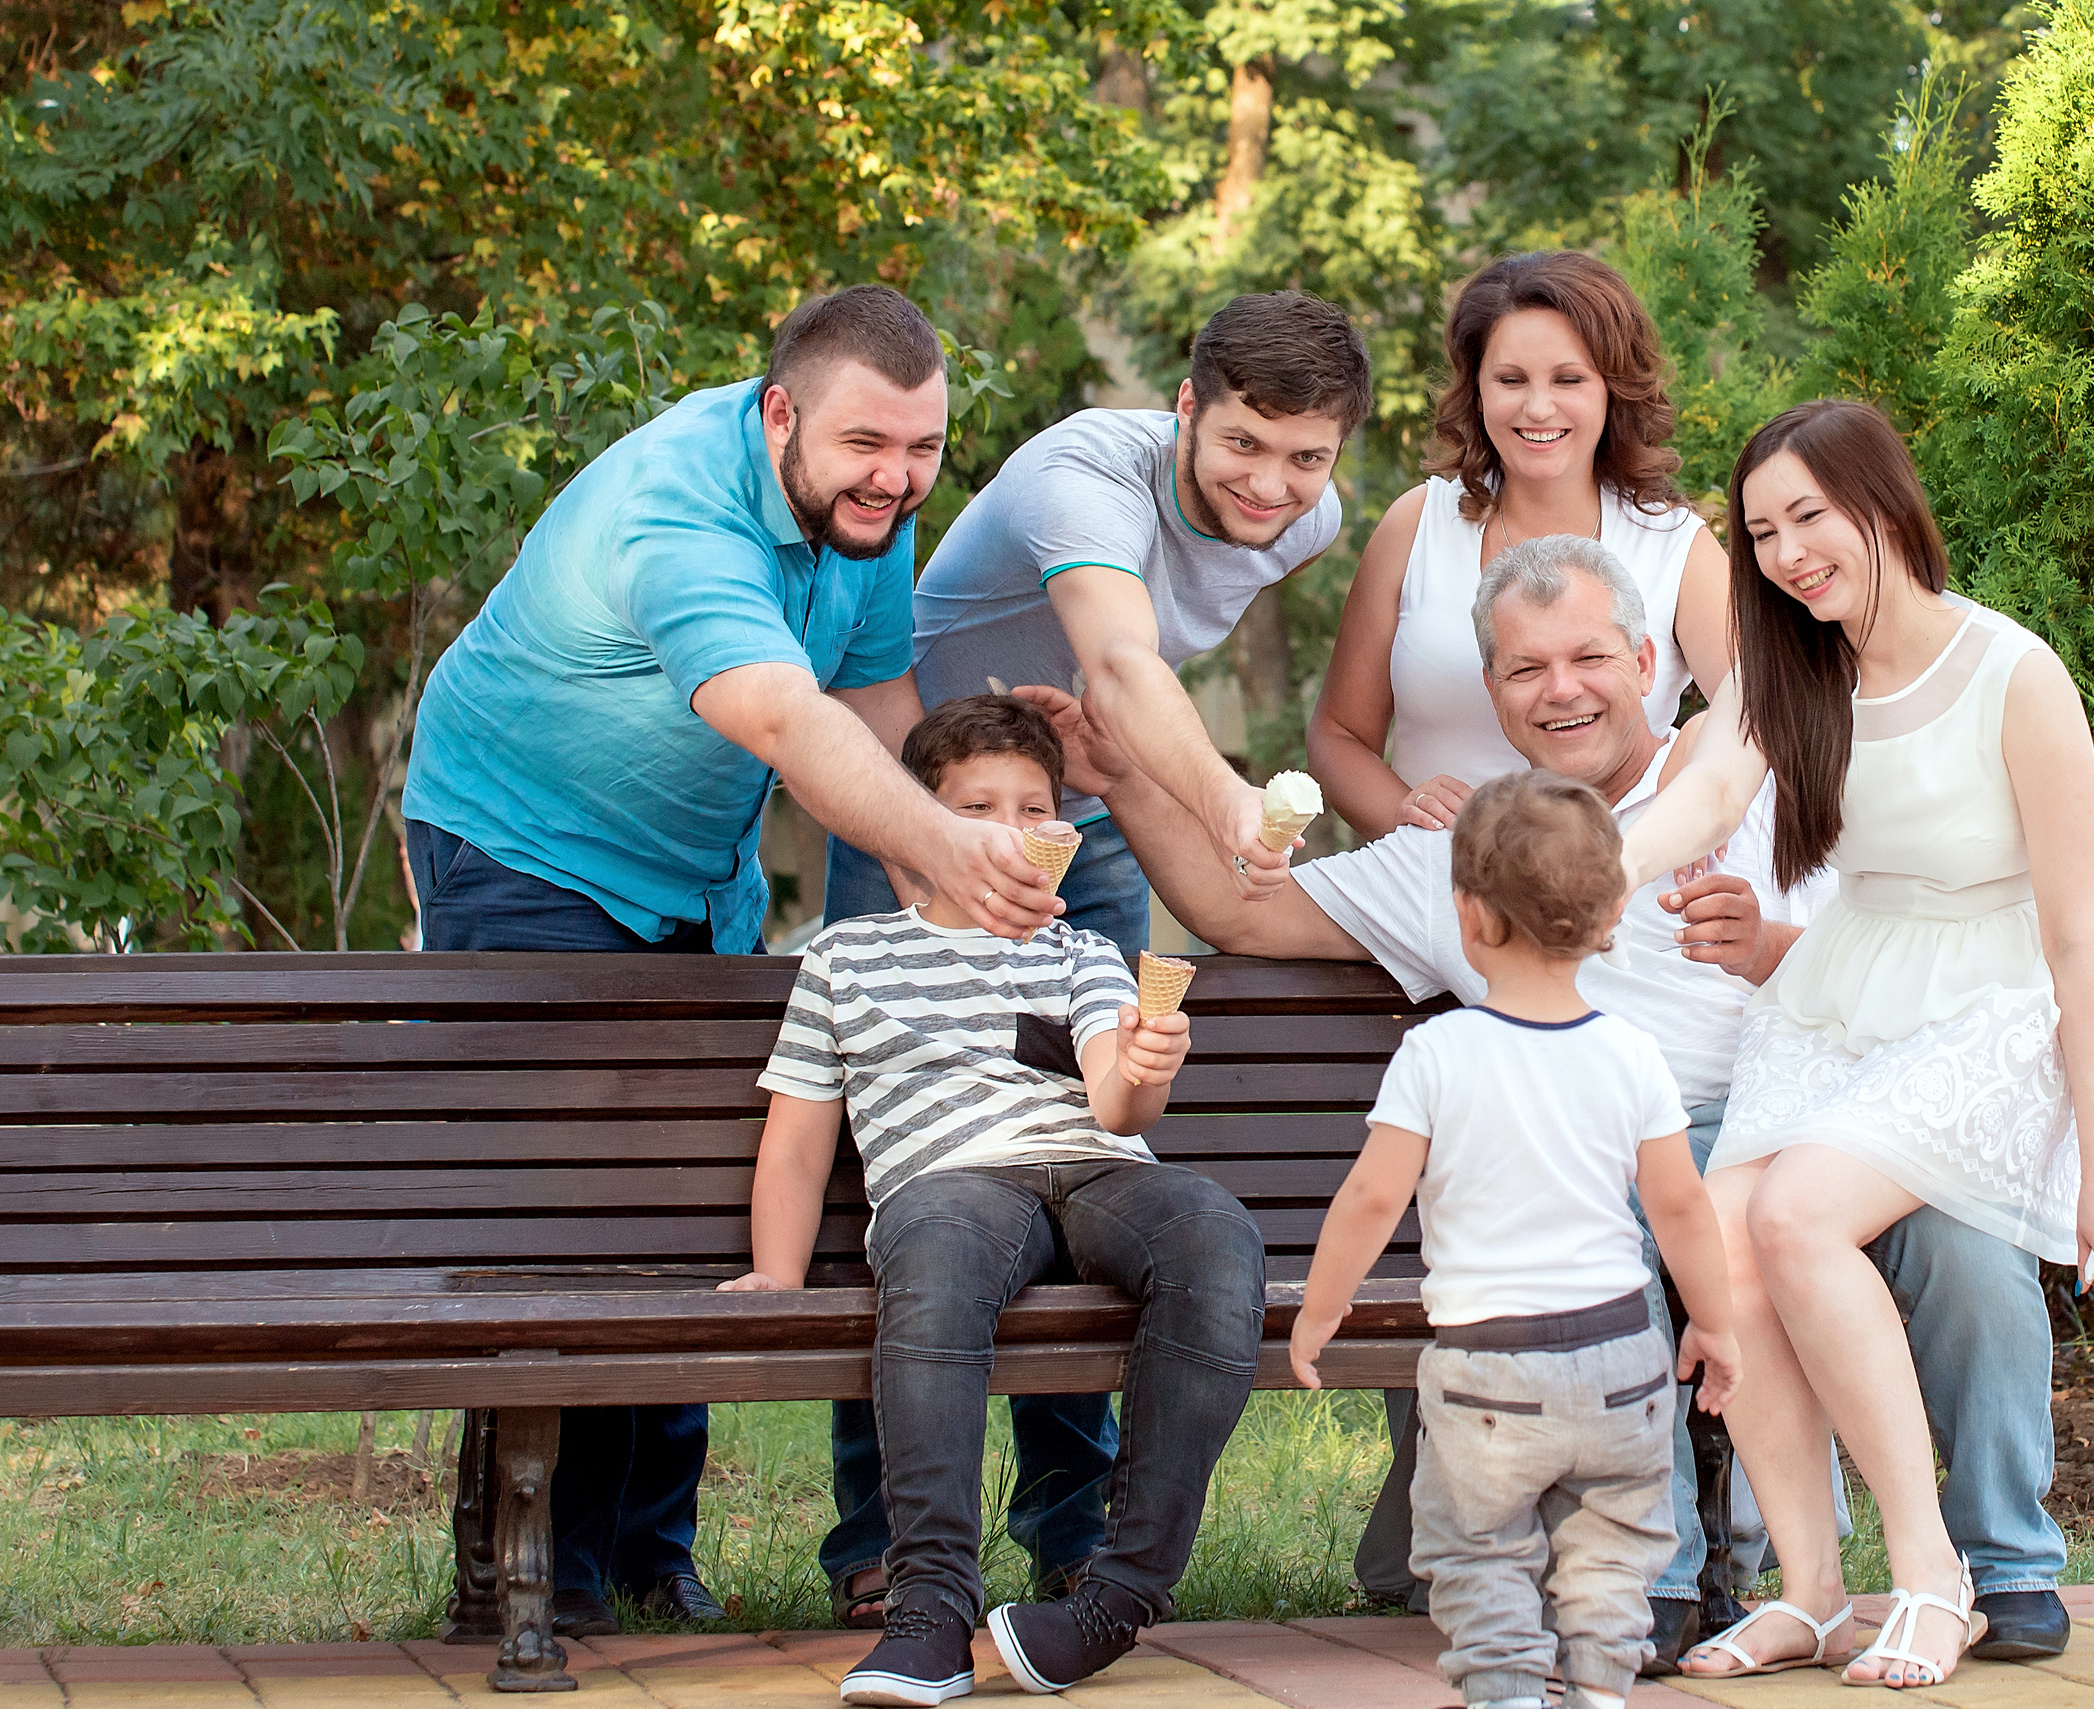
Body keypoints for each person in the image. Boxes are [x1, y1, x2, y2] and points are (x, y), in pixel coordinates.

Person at [1029, 530, 2083, 1667]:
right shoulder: (1475, 848)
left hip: (1831, 1113)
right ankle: (1651, 1579)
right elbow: (1238, 910)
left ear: (1646, 661)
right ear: (1492, 691)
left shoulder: (1755, 771)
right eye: (1526, 668)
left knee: (1967, 1241)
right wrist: (1124, 778)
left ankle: (2005, 1563)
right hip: (1638, 1148)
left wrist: (1770, 950)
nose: (1561, 689)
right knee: (1598, 1210)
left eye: (1587, 657)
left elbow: (1894, 943)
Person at [402, 285, 1061, 1637]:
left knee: (697, 1187)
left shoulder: (865, 506)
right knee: (569, 1211)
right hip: (524, 849)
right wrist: (952, 852)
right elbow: (781, 718)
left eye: (924, 449)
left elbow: (874, 708)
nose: (897, 477)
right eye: (867, 445)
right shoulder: (676, 510)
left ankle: (653, 1550)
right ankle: (533, 1570)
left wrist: (958, 874)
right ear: (778, 415)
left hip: (698, 874)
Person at [811, 289, 1371, 1627]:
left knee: (1081, 1149)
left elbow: (1130, 690)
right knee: (906, 1164)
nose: (1273, 484)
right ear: (1184, 409)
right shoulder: (1083, 474)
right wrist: (1225, 801)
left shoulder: (1311, 522)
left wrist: (1125, 788)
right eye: (1243, 444)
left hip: (1083, 822)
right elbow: (1119, 659)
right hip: (925, 806)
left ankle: (1069, 1529)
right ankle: (880, 1540)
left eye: (1307, 457)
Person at [1617, 399, 2094, 1689]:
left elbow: (2078, 937)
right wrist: (1591, 873)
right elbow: (1705, 790)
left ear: (1881, 502)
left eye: (1808, 516)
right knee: (1719, 1228)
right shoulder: (1792, 670)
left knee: (1795, 1213)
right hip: (1843, 994)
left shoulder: (2013, 672)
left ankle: (1933, 1576)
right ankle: (1811, 1590)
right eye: (1761, 533)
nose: (1787, 553)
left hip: (1987, 1007)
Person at [719, 695, 1265, 1704]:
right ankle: (930, 1609)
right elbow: (797, 1138)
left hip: (1099, 1168)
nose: (1012, 830)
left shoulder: (1079, 952)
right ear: (917, 824)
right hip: (952, 1182)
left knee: (1216, 1235)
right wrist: (777, 1274)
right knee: (932, 1255)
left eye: (1034, 807)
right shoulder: (848, 957)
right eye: (978, 808)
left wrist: (1149, 1062)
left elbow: (1116, 1100)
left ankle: (1116, 1599)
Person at [1291, 771, 1743, 1709]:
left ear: (1469, 915)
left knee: (1479, 1549)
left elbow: (1373, 1195)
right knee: (1610, 1552)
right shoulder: (1632, 1054)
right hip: (1621, 1356)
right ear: (1611, 917)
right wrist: (1714, 1322)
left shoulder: (1438, 1053)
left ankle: (1504, 1689)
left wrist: (1322, 1307)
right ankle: (1601, 1686)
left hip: (1488, 1367)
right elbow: (1681, 1207)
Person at [1307, 250, 1729, 839]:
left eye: (1568, 379)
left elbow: (1758, 724)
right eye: (1511, 380)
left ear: (1613, 390)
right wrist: (1408, 818)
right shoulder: (1417, 525)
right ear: (1478, 392)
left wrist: (1692, 768)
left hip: (1617, 881)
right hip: (1435, 873)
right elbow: (1338, 735)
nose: (1538, 407)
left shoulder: (1676, 548)